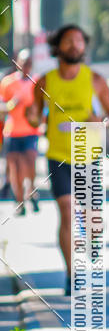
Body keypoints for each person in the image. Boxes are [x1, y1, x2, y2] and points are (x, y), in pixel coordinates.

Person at [26, 25, 109, 295]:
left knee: (91, 218)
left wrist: (101, 121)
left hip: (88, 155)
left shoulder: (95, 79)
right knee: (66, 211)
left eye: (79, 41)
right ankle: (72, 274)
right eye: (69, 41)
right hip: (58, 155)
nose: (75, 46)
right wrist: (32, 118)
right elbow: (36, 115)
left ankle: (93, 240)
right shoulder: (45, 81)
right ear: (58, 47)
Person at [0, 49, 40, 215]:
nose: (26, 67)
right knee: (15, 168)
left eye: (29, 64)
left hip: (31, 131)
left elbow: (43, 108)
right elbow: (2, 107)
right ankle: (19, 202)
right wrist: (12, 104)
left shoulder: (37, 83)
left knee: (30, 163)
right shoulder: (7, 82)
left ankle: (31, 190)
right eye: (24, 64)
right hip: (12, 132)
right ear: (18, 64)